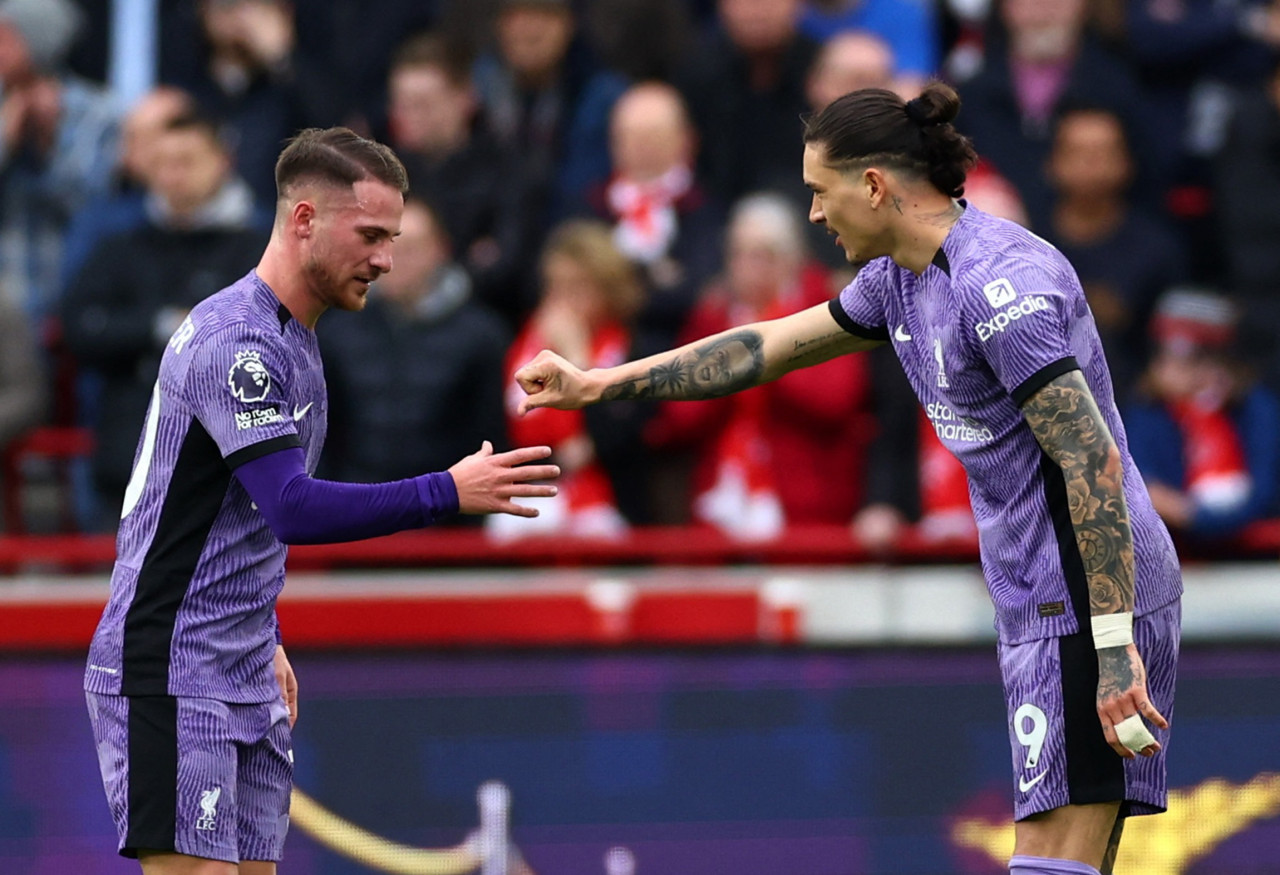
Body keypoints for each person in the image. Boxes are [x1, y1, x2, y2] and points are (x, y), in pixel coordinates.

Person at [515, 84, 1183, 875]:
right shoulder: (901, 278)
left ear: (873, 186)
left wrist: (1111, 645)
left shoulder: (1001, 288)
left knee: (1047, 857)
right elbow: (770, 347)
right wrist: (599, 385)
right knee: (1072, 858)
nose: (812, 216)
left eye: (819, 192)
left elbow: (1092, 461)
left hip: (1086, 595)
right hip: (1044, 598)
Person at [83, 127, 559, 874]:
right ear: (304, 219)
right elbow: (291, 508)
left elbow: (233, 518)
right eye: (370, 234)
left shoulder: (298, 340)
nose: (386, 258)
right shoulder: (238, 343)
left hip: (238, 660)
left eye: (394, 237)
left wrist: (261, 627)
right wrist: (447, 491)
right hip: (172, 664)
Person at [63, 111, 272, 520]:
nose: (173, 176)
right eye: (162, 164)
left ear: (223, 161)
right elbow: (79, 327)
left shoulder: (260, 251)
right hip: (131, 464)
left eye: (187, 161)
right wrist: (160, 326)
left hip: (232, 470)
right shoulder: (119, 249)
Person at [319, 196, 511, 502]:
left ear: (441, 250)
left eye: (411, 249)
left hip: (445, 522)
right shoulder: (336, 332)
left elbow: (490, 439)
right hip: (354, 517)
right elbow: (321, 438)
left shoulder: (481, 336)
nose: (395, 261)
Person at [494, 219, 643, 538]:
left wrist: (578, 358)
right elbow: (503, 433)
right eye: (556, 287)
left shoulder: (633, 351)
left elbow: (620, 437)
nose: (564, 301)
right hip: (533, 492)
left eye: (577, 287)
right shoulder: (522, 350)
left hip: (611, 503)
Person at [1124, 289, 1280, 542]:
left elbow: (1262, 496)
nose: (1170, 370)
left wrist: (1192, 515)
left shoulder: (1256, 409)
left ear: (1225, 364)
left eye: (1191, 359)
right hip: (1176, 554)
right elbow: (1144, 490)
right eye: (1164, 356)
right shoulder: (1148, 411)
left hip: (1257, 557)